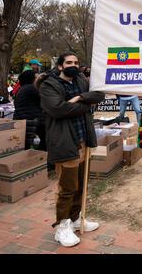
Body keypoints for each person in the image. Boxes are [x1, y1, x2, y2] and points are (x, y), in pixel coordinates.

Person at [39, 52, 105, 248]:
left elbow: (99, 95)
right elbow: (58, 109)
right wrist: (86, 105)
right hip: (65, 142)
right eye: (69, 62)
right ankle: (62, 226)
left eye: (76, 62)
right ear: (60, 66)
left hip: (84, 139)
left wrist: (79, 97)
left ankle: (75, 219)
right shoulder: (48, 85)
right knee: (67, 187)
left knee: (81, 184)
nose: (73, 65)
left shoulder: (81, 81)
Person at [13, 70, 46, 151]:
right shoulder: (31, 88)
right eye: (36, 77)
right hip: (32, 120)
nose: (38, 79)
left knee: (26, 145)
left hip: (23, 119)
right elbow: (45, 99)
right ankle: (40, 156)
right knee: (47, 137)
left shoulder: (22, 88)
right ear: (30, 79)